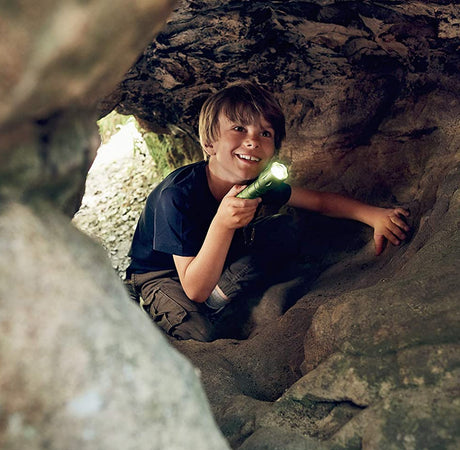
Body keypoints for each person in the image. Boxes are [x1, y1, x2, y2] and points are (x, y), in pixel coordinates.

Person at [125, 81, 410, 342]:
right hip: (165, 274)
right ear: (209, 143)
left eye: (265, 133)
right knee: (199, 333)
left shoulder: (255, 184)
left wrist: (373, 215)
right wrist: (222, 224)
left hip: (217, 256)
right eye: (239, 129)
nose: (253, 140)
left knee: (285, 228)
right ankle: (200, 305)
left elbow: (319, 202)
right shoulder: (175, 197)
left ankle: (219, 296)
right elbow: (193, 289)